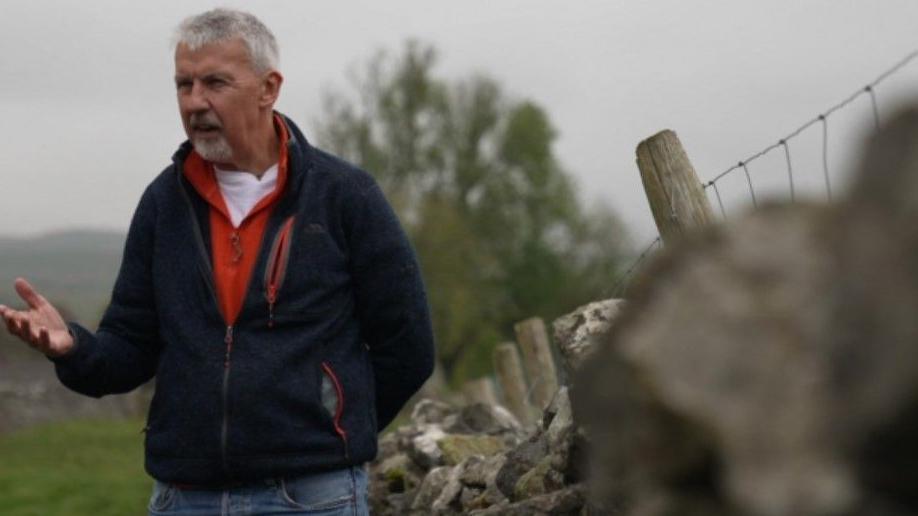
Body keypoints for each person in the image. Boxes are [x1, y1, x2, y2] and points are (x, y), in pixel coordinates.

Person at [0, 8, 435, 515]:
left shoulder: (345, 197)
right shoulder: (164, 204)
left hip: (313, 498)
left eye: (215, 83)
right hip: (185, 497)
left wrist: (331, 432)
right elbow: (131, 348)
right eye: (184, 85)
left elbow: (407, 346)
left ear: (268, 88)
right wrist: (72, 347)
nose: (195, 102)